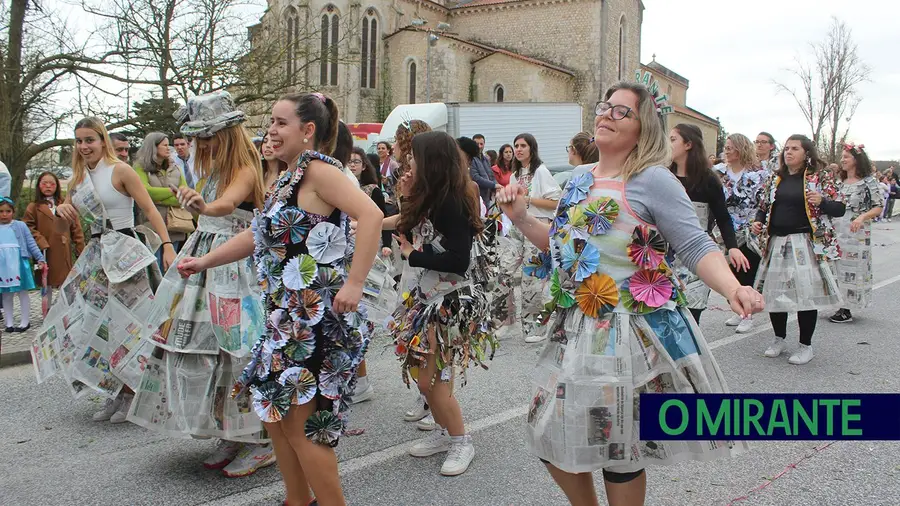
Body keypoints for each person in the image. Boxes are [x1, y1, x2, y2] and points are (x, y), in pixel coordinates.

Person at [495, 80, 761, 506]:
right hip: (574, 328)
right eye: (605, 107)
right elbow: (565, 247)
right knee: (547, 432)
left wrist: (733, 287)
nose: (607, 115)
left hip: (627, 333)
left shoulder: (654, 180)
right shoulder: (579, 178)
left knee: (618, 446)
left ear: (644, 127)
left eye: (622, 111)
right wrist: (522, 218)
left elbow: (694, 245)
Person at [176, 92, 382, 506]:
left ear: (308, 131)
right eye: (271, 121)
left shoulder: (319, 172)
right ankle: (296, 499)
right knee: (276, 416)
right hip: (282, 318)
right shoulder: (285, 178)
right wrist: (205, 261)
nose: (271, 129)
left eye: (281, 122)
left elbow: (372, 215)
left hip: (311, 320)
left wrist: (355, 283)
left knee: (301, 424)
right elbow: (257, 235)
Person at [128, 91, 274, 478]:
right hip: (205, 260)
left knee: (239, 351)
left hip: (234, 265)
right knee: (207, 351)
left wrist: (204, 207)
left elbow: (227, 205)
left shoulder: (245, 166)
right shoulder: (209, 169)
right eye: (198, 138)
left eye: (207, 137)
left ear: (226, 135)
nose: (201, 144)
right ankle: (232, 429)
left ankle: (261, 439)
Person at [32, 117, 175, 424]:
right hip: (97, 254)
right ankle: (116, 392)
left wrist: (166, 245)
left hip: (125, 250)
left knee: (128, 324)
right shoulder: (78, 180)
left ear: (102, 141)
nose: (84, 147)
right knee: (98, 324)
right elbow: (60, 232)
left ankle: (134, 392)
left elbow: (149, 209)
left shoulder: (120, 170)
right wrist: (61, 213)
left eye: (89, 140)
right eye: (79, 141)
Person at [385, 130, 495, 477]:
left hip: (446, 304)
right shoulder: (431, 196)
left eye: (414, 157)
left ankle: (462, 440)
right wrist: (404, 198)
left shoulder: (450, 202)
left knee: (435, 382)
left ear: (430, 162)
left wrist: (411, 255)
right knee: (424, 380)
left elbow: (459, 261)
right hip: (425, 297)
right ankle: (446, 432)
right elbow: (411, 225)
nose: (409, 163)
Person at [751, 134, 845, 365]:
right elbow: (764, 205)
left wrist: (822, 201)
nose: (789, 152)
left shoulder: (819, 178)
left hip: (803, 242)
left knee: (805, 295)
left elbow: (839, 208)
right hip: (777, 242)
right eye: (786, 148)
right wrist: (759, 220)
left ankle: (806, 346)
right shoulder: (776, 178)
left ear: (806, 153)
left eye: (795, 148)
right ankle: (779, 339)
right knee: (775, 293)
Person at [669, 124, 747, 323]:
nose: (668, 145)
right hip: (664, 253)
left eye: (673, 140)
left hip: (696, 253)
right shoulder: (664, 176)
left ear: (688, 144)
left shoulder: (708, 180)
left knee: (691, 315)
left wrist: (732, 247)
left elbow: (722, 216)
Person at [493, 133, 560, 343]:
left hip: (536, 224)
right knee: (502, 271)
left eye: (523, 145)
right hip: (516, 228)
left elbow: (556, 201)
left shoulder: (540, 171)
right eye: (516, 146)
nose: (519, 149)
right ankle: (505, 321)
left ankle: (536, 327)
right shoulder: (514, 174)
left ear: (532, 148)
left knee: (532, 279)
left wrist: (529, 199)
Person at [714, 133, 764, 334]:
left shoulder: (757, 174)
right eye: (725, 147)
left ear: (741, 149)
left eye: (731, 147)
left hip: (748, 229)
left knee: (746, 272)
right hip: (724, 229)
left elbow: (763, 201)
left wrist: (757, 223)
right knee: (728, 273)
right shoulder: (717, 172)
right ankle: (737, 307)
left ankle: (747, 314)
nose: (726, 150)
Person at [830, 142, 882, 323]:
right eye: (842, 157)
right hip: (837, 229)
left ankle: (847, 308)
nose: (842, 160)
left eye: (846, 157)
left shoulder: (869, 182)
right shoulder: (838, 182)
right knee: (836, 266)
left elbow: (878, 207)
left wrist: (861, 218)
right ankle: (839, 302)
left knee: (853, 268)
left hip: (856, 232)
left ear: (856, 160)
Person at [23, 172, 85, 293]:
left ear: (56, 186)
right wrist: (40, 241)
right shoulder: (33, 207)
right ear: (39, 186)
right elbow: (28, 227)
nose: (48, 186)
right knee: (47, 282)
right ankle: (47, 309)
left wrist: (80, 249)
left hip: (63, 250)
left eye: (51, 183)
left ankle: (64, 309)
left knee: (65, 282)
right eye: (44, 183)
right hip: (45, 251)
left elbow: (76, 229)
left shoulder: (65, 205)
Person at [133, 132, 189, 261]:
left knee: (170, 269)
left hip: (175, 227)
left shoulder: (175, 168)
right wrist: (171, 192)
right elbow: (145, 192)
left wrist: (159, 197)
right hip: (151, 229)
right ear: (154, 147)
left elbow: (185, 194)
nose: (168, 148)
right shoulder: (140, 168)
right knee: (156, 269)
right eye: (164, 145)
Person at [0, 197, 46, 332]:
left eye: (8, 211)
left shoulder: (20, 226)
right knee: (6, 293)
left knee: (22, 292)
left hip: (18, 262)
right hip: (2, 266)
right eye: (1, 211)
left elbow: (30, 242)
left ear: (13, 212)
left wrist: (40, 258)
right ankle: (9, 322)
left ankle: (25, 321)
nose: (4, 214)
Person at [468, 134, 498, 205]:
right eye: (477, 144)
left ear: (484, 144)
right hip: (476, 199)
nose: (479, 146)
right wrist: (494, 185)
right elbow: (476, 178)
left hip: (487, 198)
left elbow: (491, 176)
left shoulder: (486, 160)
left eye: (481, 144)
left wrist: (497, 187)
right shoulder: (471, 159)